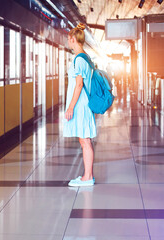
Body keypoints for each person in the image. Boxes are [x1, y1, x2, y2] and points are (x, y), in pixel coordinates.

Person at [63, 23, 96, 187]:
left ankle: (88, 177)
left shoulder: (79, 59)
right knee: (85, 140)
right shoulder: (85, 57)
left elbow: (79, 85)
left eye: (69, 39)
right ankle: (87, 175)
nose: (68, 42)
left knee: (85, 141)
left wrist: (70, 107)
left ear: (73, 39)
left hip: (81, 105)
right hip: (83, 104)